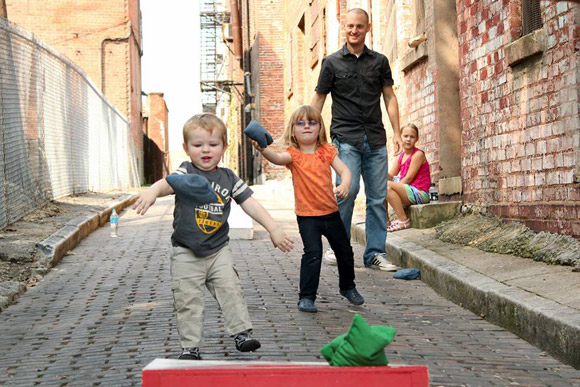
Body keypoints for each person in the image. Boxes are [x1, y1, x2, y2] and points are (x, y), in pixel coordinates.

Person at [132, 113, 293, 360]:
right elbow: (169, 183)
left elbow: (250, 203)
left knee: (231, 289)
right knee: (187, 300)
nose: (205, 150)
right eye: (198, 145)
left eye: (213, 144)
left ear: (224, 147)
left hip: (218, 250)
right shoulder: (186, 172)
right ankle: (190, 347)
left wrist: (273, 228)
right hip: (186, 251)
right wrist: (153, 190)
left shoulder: (228, 177)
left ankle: (242, 334)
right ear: (186, 148)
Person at [311, 7, 402, 272]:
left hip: (374, 139)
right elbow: (319, 98)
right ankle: (339, 248)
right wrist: (307, 132)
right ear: (344, 28)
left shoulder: (380, 61)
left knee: (377, 197)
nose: (354, 31)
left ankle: (375, 253)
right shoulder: (331, 63)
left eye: (359, 26)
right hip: (345, 139)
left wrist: (396, 131)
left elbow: (389, 97)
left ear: (367, 28)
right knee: (346, 194)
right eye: (350, 26)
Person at [250, 105, 364, 313]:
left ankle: (348, 287)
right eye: (300, 123)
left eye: (312, 122)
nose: (307, 127)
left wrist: (345, 184)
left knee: (345, 252)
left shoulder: (327, 152)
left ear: (320, 128)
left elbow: (345, 171)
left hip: (331, 214)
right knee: (313, 254)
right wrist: (263, 149)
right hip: (307, 217)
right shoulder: (292, 155)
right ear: (293, 130)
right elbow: (276, 159)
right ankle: (306, 296)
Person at [386, 123, 431, 231]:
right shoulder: (400, 156)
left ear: (417, 139)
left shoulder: (418, 155)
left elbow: (408, 179)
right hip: (407, 191)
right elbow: (390, 176)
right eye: (405, 136)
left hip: (420, 193)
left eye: (412, 137)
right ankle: (385, 220)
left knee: (386, 186)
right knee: (381, 183)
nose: (408, 139)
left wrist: (393, 188)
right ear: (400, 137)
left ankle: (403, 221)